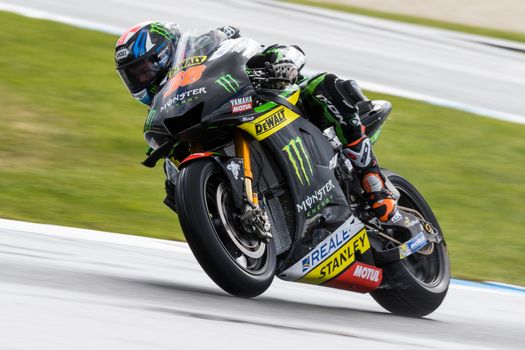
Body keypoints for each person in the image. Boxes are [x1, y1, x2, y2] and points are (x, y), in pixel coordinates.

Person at [114, 21, 398, 222]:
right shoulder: (167, 105)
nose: (141, 79)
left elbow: (258, 50)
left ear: (164, 54)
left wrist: (280, 62)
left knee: (325, 85)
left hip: (270, 99)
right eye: (133, 76)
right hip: (217, 121)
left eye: (142, 70)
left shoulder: (205, 47)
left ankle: (370, 177)